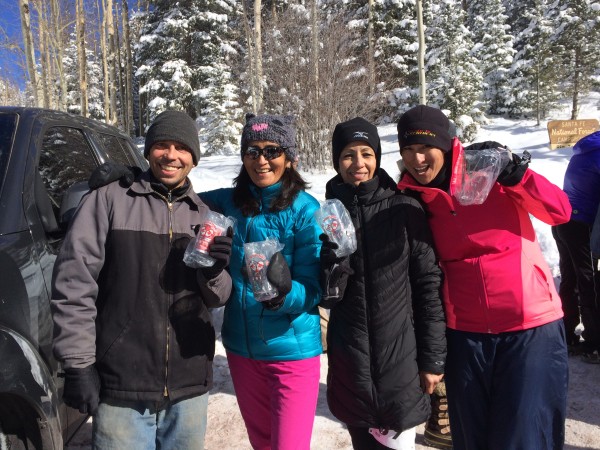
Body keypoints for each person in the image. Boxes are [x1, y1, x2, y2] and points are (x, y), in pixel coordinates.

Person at [51, 110, 232, 450]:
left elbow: (219, 297)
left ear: (193, 158)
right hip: (123, 384)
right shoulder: (108, 200)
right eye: (162, 145)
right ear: (148, 151)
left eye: (182, 147)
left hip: (189, 387)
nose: (171, 155)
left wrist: (213, 272)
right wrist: (77, 365)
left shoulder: (203, 216)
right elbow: (74, 283)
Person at [396, 105, 571, 450]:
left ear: (446, 146)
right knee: (472, 437)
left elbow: (560, 212)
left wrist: (518, 176)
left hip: (529, 327)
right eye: (408, 150)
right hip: (466, 335)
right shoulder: (414, 198)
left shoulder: (488, 172)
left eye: (425, 148)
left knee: (525, 436)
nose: (417, 160)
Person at [320, 117, 446, 450]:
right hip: (351, 368)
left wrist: (433, 360)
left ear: (377, 157)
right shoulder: (328, 215)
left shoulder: (404, 209)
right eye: (348, 155)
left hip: (401, 366)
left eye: (366, 153)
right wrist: (332, 267)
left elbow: (427, 287)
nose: (358, 163)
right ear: (337, 161)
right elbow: (327, 297)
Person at [200, 113, 322, 450]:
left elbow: (315, 288)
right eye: (252, 151)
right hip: (241, 350)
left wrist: (284, 295)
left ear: (289, 157)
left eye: (272, 151)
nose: (262, 160)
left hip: (291, 352)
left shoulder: (305, 210)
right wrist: (134, 180)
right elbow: (177, 198)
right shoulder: (227, 202)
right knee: (263, 443)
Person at [552, 130, 600, 363]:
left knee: (570, 279)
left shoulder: (587, 149)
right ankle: (594, 344)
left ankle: (568, 334)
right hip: (581, 226)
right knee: (589, 280)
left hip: (563, 220)